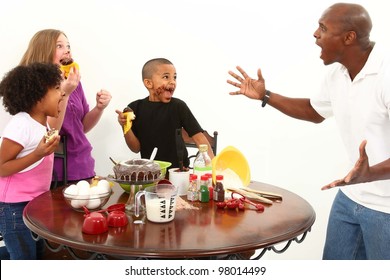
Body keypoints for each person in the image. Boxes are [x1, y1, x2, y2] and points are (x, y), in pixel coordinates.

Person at [227, 3, 390, 260]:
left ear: (349, 37)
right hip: (349, 196)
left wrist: (370, 174)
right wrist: (266, 95)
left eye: (323, 28)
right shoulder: (337, 73)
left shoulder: (386, 75)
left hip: (386, 207)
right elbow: (314, 112)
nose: (315, 34)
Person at [20, 29, 112, 185]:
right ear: (43, 51)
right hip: (54, 173)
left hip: (83, 165)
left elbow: (81, 127)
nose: (67, 50)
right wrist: (65, 92)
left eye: (68, 46)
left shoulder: (73, 83)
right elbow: (50, 132)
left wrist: (99, 108)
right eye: (59, 46)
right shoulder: (33, 86)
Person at [0, 63, 63, 259]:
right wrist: (38, 154)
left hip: (34, 204)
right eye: (57, 89)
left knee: (35, 252)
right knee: (24, 259)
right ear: (38, 97)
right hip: (13, 207)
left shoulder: (41, 123)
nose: (62, 94)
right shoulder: (21, 124)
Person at [116, 58, 214, 168]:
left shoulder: (178, 106)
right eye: (166, 77)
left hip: (178, 171)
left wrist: (214, 167)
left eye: (175, 77)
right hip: (150, 173)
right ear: (148, 83)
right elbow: (135, 148)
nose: (172, 81)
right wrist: (125, 127)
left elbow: (199, 138)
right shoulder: (135, 108)